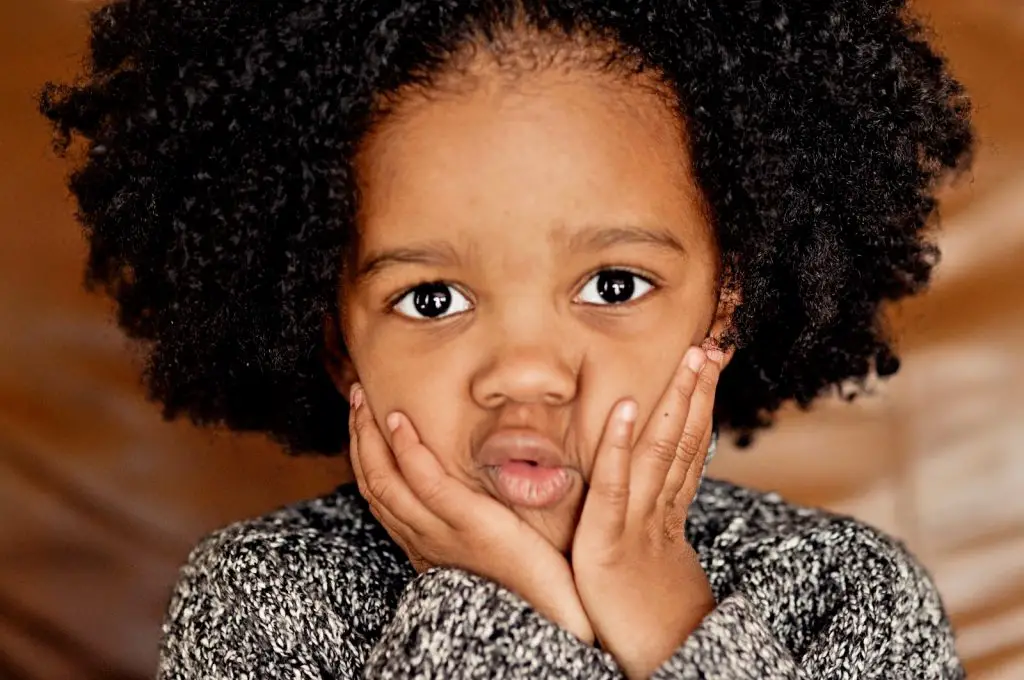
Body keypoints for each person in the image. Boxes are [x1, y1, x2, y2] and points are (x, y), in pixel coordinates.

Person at [40, 0, 974, 677]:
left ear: (721, 308)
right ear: (336, 342)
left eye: (613, 286)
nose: (525, 373)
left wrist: (670, 619)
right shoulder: (255, 602)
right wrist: (514, 604)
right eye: (434, 298)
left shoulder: (850, 592)